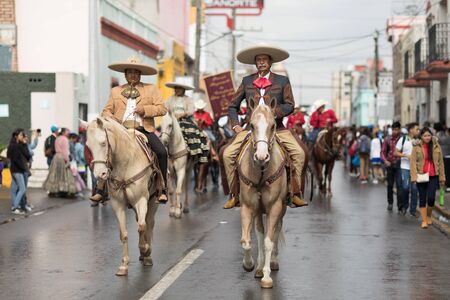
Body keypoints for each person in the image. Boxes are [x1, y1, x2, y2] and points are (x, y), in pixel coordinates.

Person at [221, 44, 307, 209]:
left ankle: (295, 192)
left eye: (264, 60)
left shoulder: (282, 80)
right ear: (255, 63)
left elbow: (290, 105)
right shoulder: (247, 81)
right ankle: (234, 194)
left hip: (277, 128)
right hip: (250, 129)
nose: (261, 62)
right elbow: (232, 106)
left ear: (270, 62)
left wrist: (273, 115)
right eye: (258, 60)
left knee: (299, 153)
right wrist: (236, 126)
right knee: (227, 154)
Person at [102, 56, 168, 203]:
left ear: (140, 74)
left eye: (136, 72)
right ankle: (100, 188)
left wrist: (145, 109)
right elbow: (105, 111)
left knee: (162, 152)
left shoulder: (151, 89)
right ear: (125, 74)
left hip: (143, 129)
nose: (133, 74)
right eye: (129, 72)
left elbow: (163, 109)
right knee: (103, 152)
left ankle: (162, 188)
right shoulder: (115, 91)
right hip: (120, 130)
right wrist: (112, 119)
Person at [165, 81, 210, 193]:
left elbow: (191, 110)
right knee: (164, 134)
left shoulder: (188, 99)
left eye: (179, 88)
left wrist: (182, 114)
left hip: (185, 120)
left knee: (194, 133)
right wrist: (169, 114)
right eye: (176, 88)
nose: (177, 90)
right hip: (172, 120)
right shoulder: (170, 99)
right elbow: (165, 108)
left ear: (183, 90)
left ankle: (194, 153)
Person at [410, 127, 446, 228]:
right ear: (421, 136)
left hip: (433, 176)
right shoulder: (416, 147)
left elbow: (441, 163)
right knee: (422, 198)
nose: (427, 137)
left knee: (431, 198)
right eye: (425, 135)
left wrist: (442, 177)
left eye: (429, 135)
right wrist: (413, 177)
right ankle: (424, 220)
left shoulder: (436, 146)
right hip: (421, 175)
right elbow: (412, 163)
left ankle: (429, 215)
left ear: (431, 136)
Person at [43, 128, 77, 197]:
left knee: (55, 174)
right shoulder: (65, 139)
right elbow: (65, 151)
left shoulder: (57, 138)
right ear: (64, 132)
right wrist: (67, 161)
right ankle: (65, 191)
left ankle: (54, 190)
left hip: (56, 157)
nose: (68, 133)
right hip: (62, 157)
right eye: (67, 131)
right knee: (65, 174)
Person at [395, 122, 420, 216]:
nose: (418, 131)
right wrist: (406, 155)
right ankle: (405, 206)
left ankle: (413, 210)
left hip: (415, 169)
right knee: (405, 188)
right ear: (411, 130)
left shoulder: (418, 140)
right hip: (404, 167)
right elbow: (395, 152)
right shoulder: (403, 139)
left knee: (414, 189)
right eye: (417, 129)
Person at [7, 129, 31, 214]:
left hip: (13, 169)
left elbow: (10, 157)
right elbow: (24, 157)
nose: (22, 136)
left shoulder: (11, 145)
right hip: (18, 170)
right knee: (22, 189)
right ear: (16, 136)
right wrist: (24, 168)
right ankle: (14, 207)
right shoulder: (16, 146)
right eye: (21, 135)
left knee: (14, 189)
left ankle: (15, 206)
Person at [381, 121, 402, 211]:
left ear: (399, 130)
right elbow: (382, 152)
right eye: (393, 129)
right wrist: (385, 161)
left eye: (397, 129)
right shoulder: (387, 139)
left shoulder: (403, 139)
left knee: (399, 185)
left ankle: (400, 205)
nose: (395, 131)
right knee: (390, 185)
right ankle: (390, 202)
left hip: (399, 164)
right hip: (390, 164)